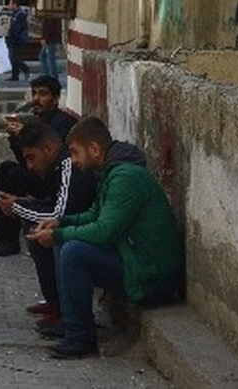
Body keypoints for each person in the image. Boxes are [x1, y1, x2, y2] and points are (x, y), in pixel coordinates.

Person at [27, 116, 184, 359]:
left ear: (94, 149)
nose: (74, 161)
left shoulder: (125, 178)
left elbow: (104, 231)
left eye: (76, 153)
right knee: (66, 243)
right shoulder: (112, 172)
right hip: (135, 261)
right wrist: (61, 222)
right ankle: (71, 325)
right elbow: (94, 215)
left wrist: (58, 235)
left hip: (151, 276)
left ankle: (80, 338)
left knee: (72, 251)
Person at [0, 119, 98, 328]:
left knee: (47, 232)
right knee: (35, 225)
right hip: (78, 222)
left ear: (50, 148)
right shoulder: (56, 167)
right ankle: (54, 301)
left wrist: (16, 207)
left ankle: (66, 313)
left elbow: (59, 214)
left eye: (32, 157)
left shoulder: (69, 165)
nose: (30, 166)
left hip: (85, 229)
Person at [0, 75, 77, 256]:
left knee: (15, 176)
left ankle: (9, 239)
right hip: (42, 173)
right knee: (7, 168)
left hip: (54, 178)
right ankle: (1, 226)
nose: (37, 99)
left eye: (43, 94)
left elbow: (49, 157)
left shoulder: (62, 123)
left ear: (55, 99)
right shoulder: (37, 121)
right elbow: (27, 160)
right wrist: (16, 138)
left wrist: (23, 135)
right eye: (34, 94)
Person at [6, 0, 31, 81]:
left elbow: (19, 28)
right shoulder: (14, 13)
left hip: (17, 40)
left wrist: (15, 38)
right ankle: (15, 75)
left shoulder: (20, 14)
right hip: (13, 39)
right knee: (13, 58)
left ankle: (25, 69)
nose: (9, 5)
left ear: (14, 5)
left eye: (10, 4)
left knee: (14, 58)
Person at [39, 15, 63, 80]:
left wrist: (45, 38)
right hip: (51, 39)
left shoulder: (50, 15)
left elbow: (49, 27)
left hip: (50, 39)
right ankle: (49, 75)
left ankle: (51, 76)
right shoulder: (52, 14)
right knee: (45, 56)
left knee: (49, 58)